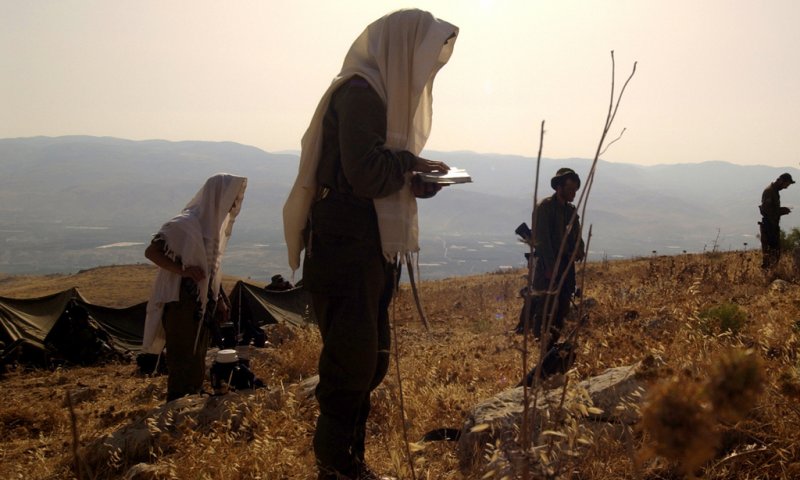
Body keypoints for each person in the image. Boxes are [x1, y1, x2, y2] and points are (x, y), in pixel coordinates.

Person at [282, 9, 457, 480]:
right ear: (402, 49)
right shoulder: (361, 93)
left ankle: (350, 464)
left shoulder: (377, 94)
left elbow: (374, 174)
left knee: (370, 361)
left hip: (363, 244)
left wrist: (412, 177)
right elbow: (365, 174)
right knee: (352, 364)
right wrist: (406, 164)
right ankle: (336, 469)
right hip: (345, 245)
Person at [142, 173, 247, 402]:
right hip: (180, 298)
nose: (234, 204)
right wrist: (183, 271)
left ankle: (192, 398)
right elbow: (152, 252)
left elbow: (210, 271)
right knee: (182, 355)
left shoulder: (212, 228)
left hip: (201, 301)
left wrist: (217, 297)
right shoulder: (184, 224)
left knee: (197, 353)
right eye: (231, 198)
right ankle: (178, 405)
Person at [527, 168, 585, 350]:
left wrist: (578, 251)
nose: (573, 193)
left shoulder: (571, 211)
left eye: (575, 190)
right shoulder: (544, 208)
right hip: (548, 265)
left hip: (567, 267)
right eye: (570, 189)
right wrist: (551, 267)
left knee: (563, 305)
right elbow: (542, 241)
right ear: (558, 187)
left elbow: (578, 237)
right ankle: (539, 342)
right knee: (545, 305)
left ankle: (554, 342)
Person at [759, 172, 794, 269]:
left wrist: (781, 211)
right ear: (781, 181)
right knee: (769, 254)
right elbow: (767, 210)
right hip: (768, 226)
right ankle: (767, 277)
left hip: (773, 226)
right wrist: (781, 211)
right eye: (786, 184)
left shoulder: (774, 191)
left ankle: (771, 274)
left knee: (775, 253)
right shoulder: (769, 191)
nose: (786, 187)